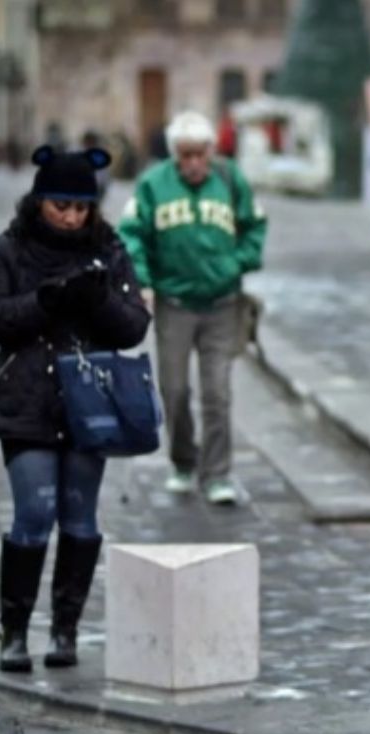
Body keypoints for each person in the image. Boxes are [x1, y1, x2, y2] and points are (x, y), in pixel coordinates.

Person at [0, 145, 151, 673]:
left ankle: (65, 631)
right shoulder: (11, 249)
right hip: (27, 400)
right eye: (61, 206)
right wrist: (43, 301)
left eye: (81, 207)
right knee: (34, 511)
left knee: (79, 516)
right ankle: (14, 632)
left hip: (90, 405)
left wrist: (97, 300)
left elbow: (135, 325)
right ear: (40, 201)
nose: (71, 217)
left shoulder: (108, 250)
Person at [118, 111, 267, 505]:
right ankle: (183, 461)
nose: (195, 163)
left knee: (217, 392)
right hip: (175, 304)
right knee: (175, 390)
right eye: (186, 155)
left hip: (222, 304)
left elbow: (255, 225)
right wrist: (143, 281)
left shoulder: (230, 179)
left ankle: (217, 473)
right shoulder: (153, 184)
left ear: (211, 151)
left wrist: (237, 263)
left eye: (201, 154)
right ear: (174, 155)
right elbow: (131, 234)